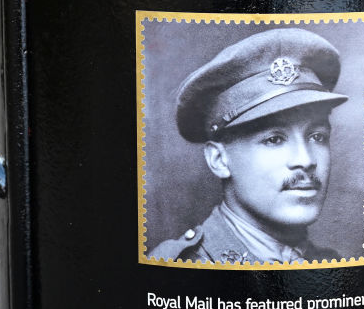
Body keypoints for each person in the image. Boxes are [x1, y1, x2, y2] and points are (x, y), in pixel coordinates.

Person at [149, 28, 347, 264]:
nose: (305, 160)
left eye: (317, 137)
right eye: (274, 139)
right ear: (219, 160)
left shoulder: (331, 262)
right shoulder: (180, 263)